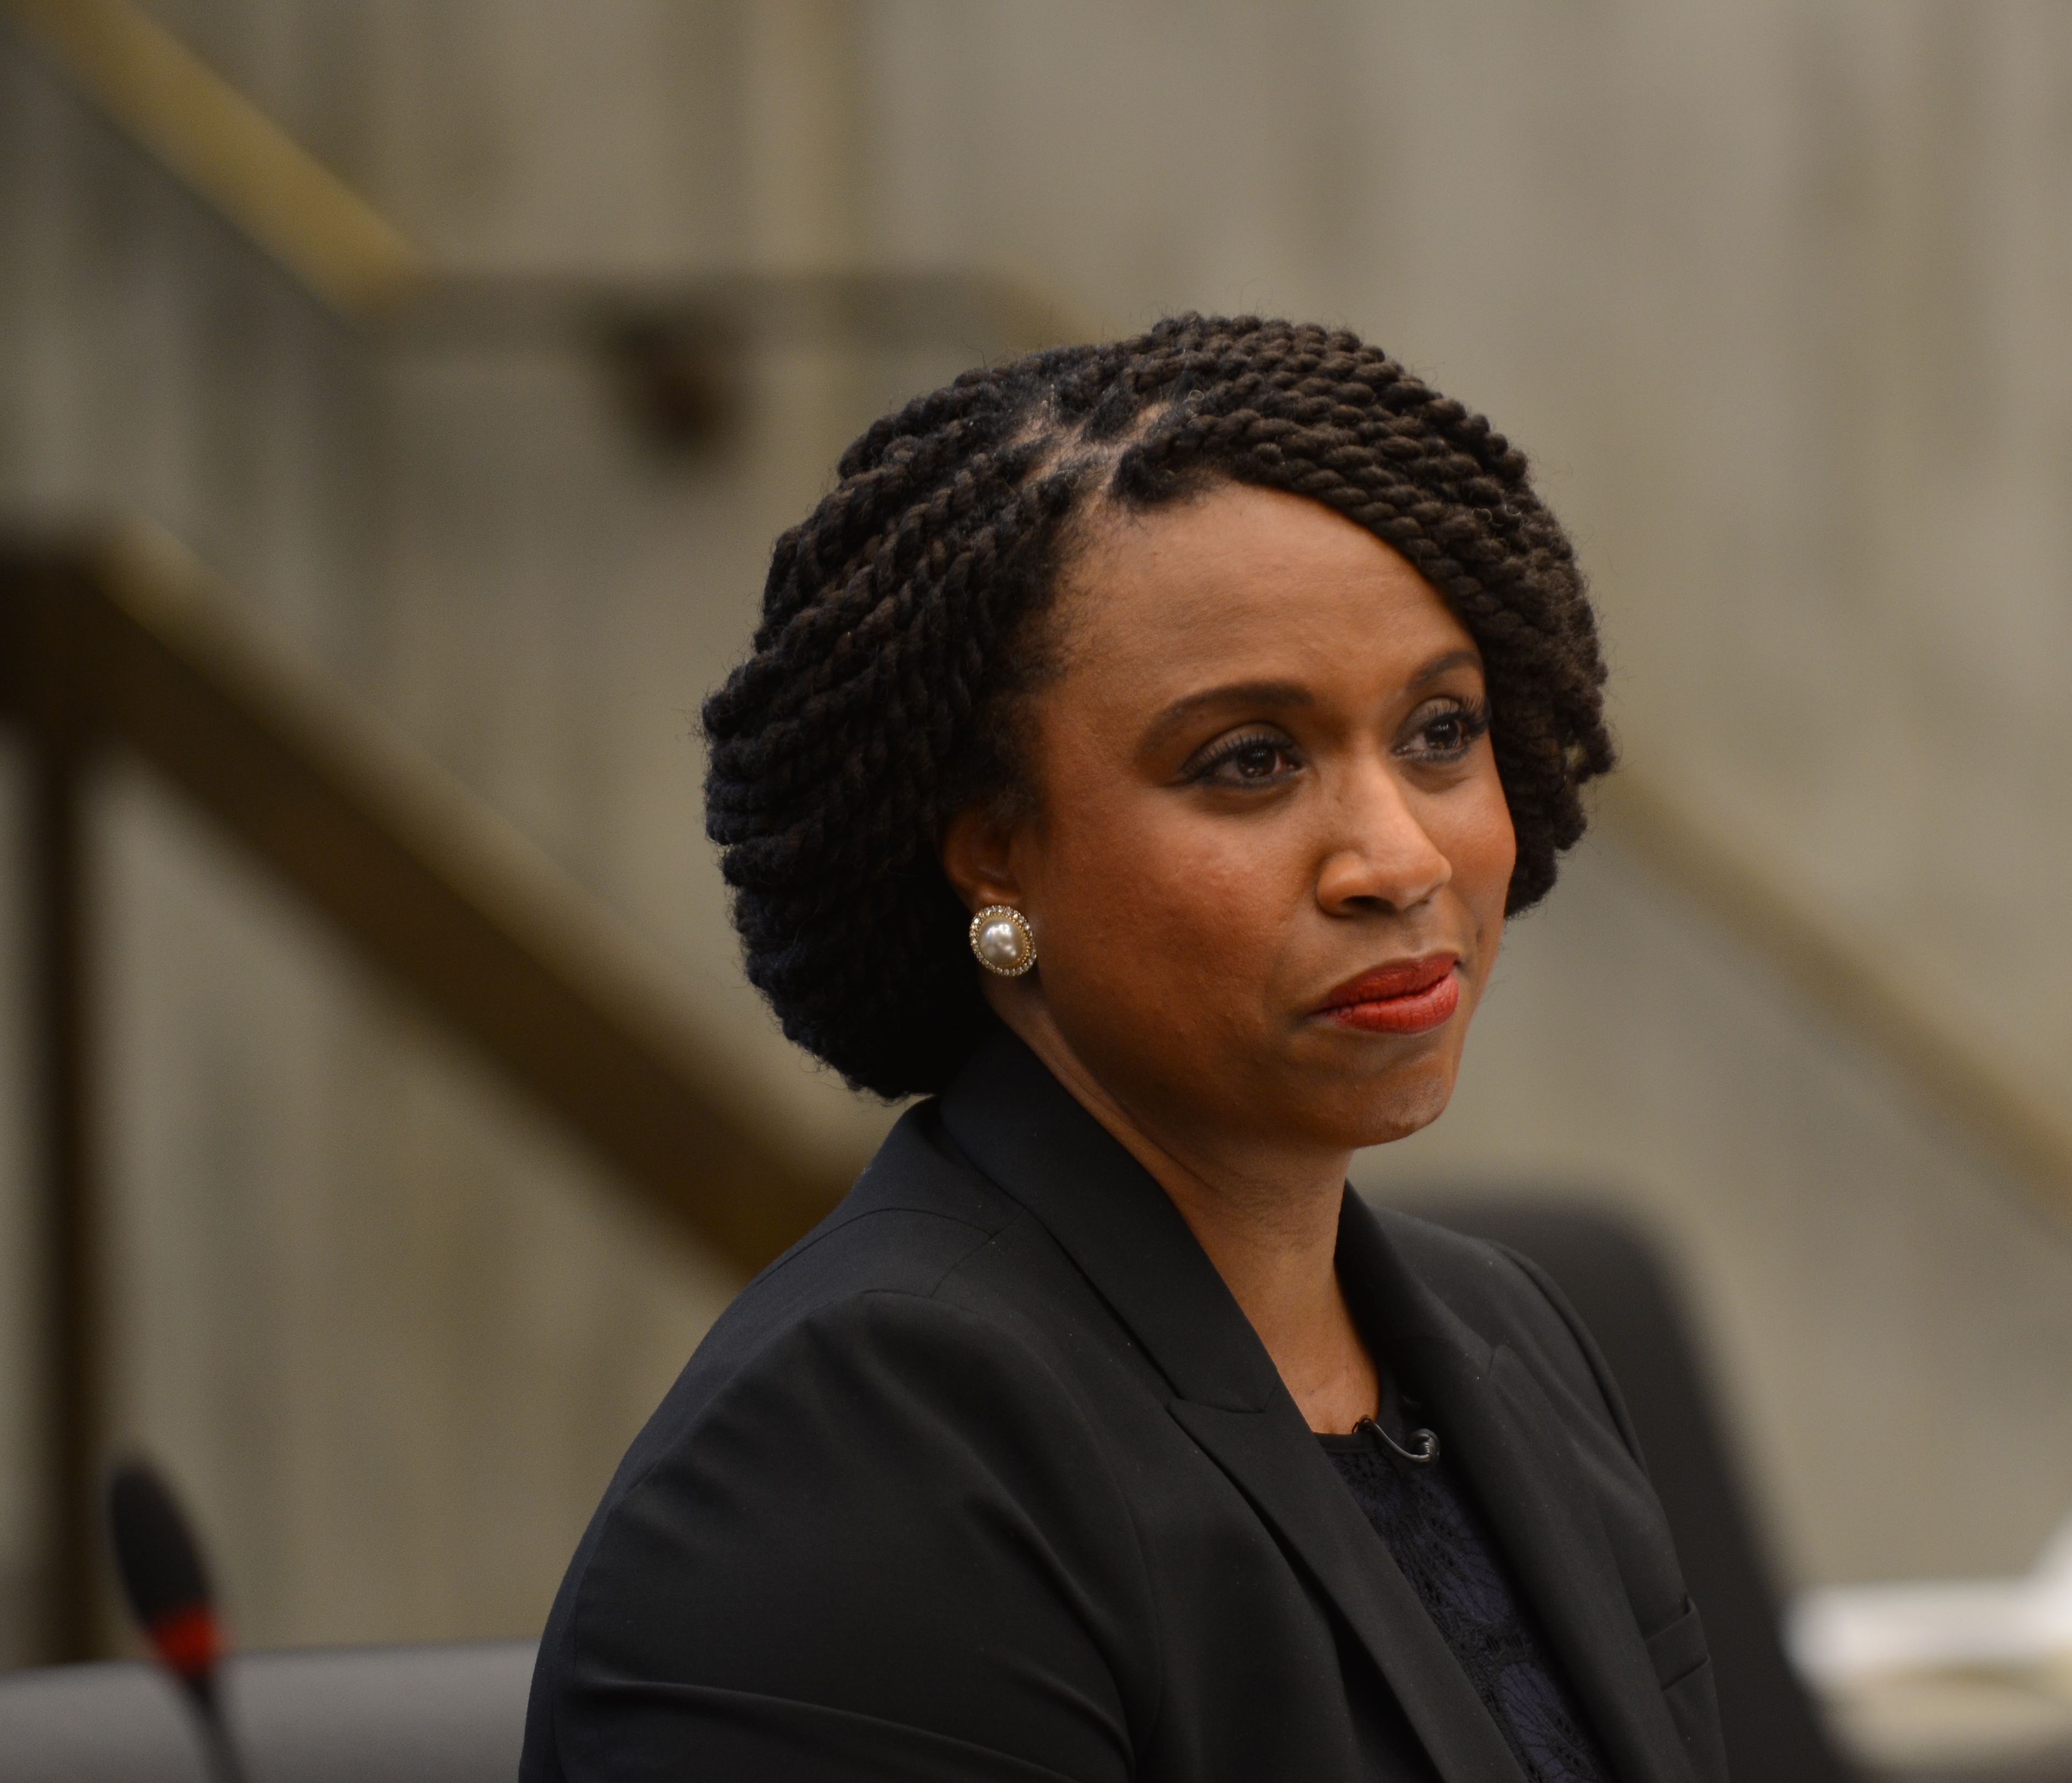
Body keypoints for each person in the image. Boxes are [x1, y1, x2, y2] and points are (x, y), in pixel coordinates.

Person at [520, 316, 1721, 1783]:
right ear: (995, 855)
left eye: (1438, 731)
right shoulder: (861, 1447)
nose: (1400, 858)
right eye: (1250, 761)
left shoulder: (1510, 1337)